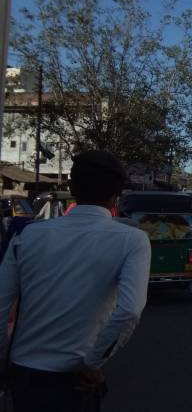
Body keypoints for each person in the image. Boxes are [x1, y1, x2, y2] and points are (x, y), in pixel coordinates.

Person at [0, 150, 151, 412]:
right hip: (75, 379)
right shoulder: (131, 240)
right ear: (117, 194)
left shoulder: (27, 235)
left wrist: (5, 359)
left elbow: (2, 305)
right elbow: (128, 311)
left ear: (71, 187)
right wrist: (92, 364)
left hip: (24, 373)